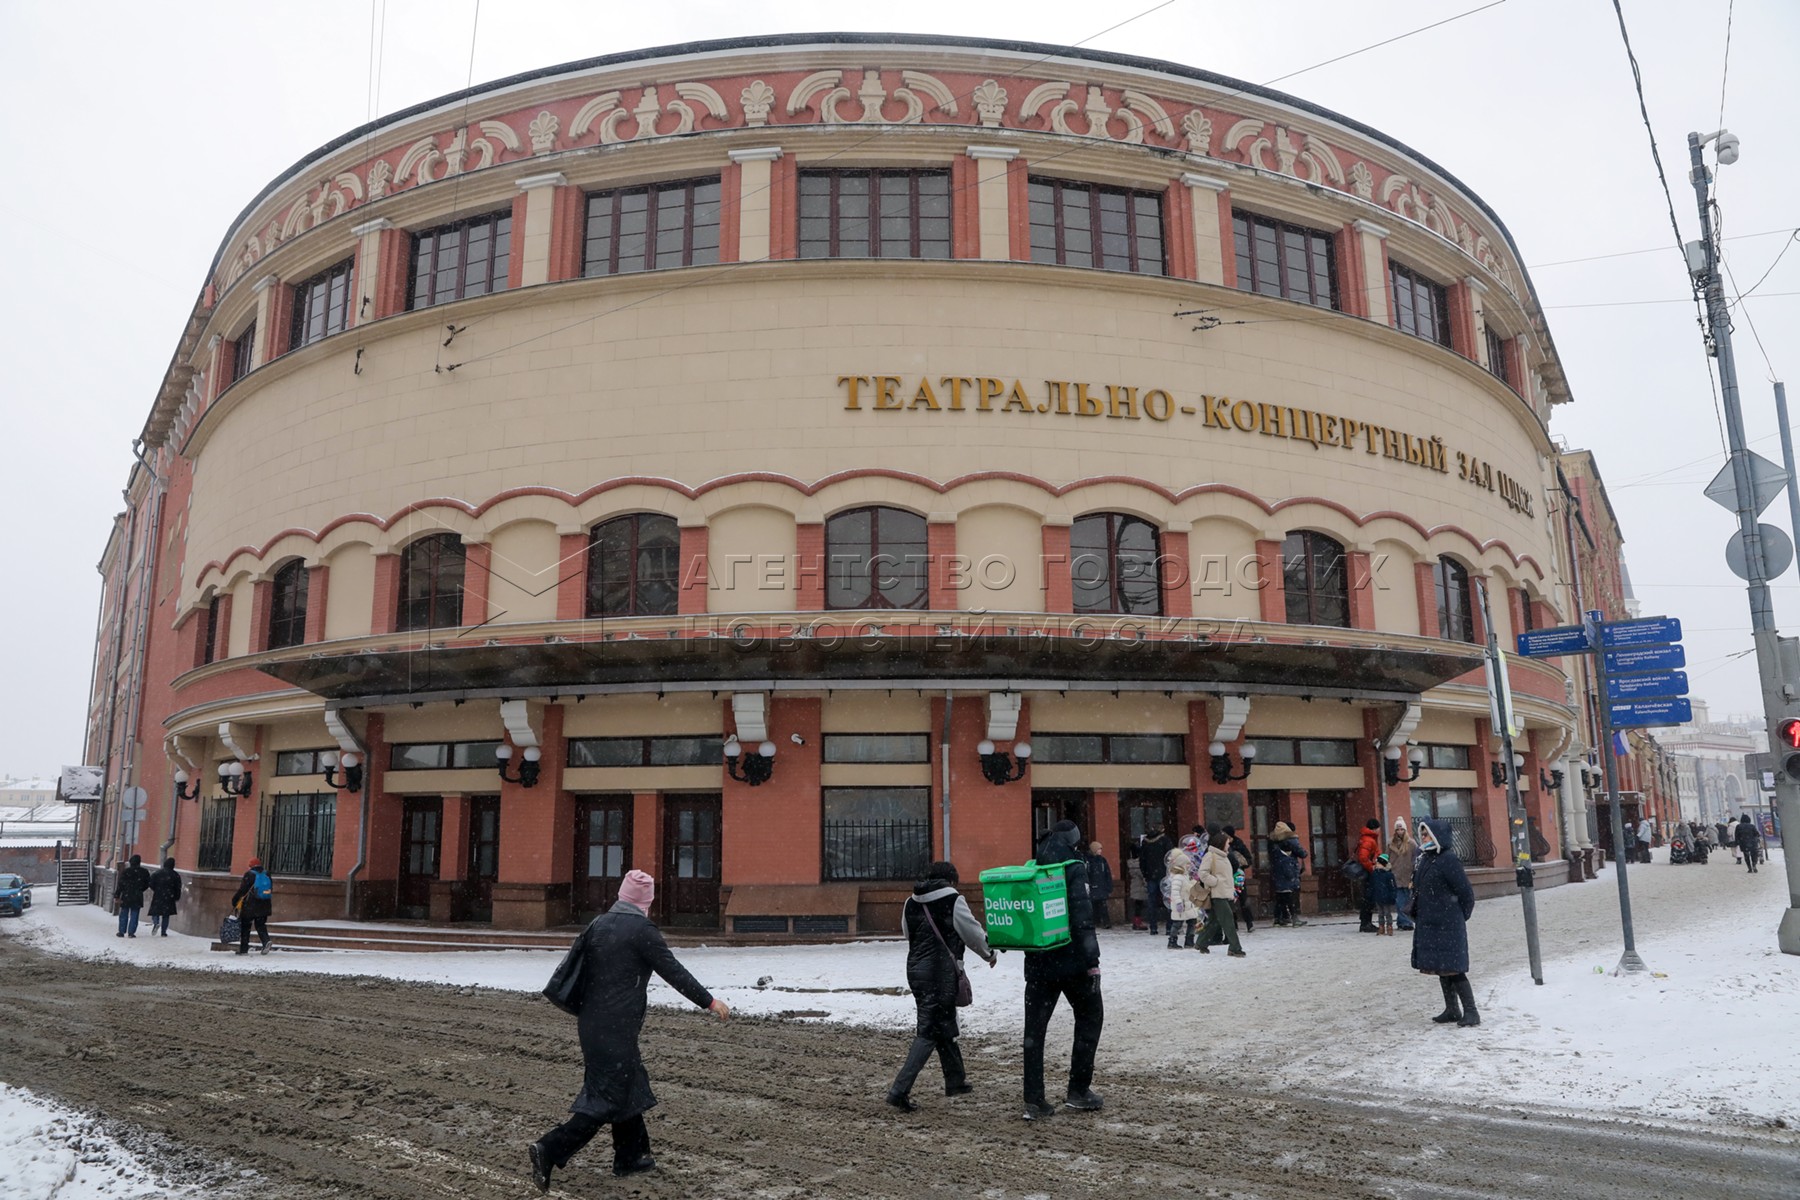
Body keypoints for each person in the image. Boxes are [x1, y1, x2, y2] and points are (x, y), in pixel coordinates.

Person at [529, 869, 729, 1191]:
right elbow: (673, 971)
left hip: (592, 1025)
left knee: (628, 1085)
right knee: (604, 1098)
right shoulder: (641, 930)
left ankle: (631, 1157)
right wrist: (709, 1001)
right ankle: (549, 1149)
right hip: (615, 1030)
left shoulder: (599, 924)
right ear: (646, 901)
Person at [888, 860, 996, 1111]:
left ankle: (955, 1081)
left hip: (916, 971)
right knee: (928, 1030)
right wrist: (989, 954)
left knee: (942, 1021)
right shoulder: (953, 900)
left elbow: (908, 933)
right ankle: (898, 1091)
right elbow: (972, 933)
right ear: (951, 880)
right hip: (941, 973)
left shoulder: (910, 901)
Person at [1020, 819, 1103, 1120]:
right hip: (1073, 963)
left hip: (1039, 961)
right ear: (1074, 840)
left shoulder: (1034, 867)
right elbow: (1082, 918)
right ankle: (1078, 1091)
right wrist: (1092, 962)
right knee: (1090, 1019)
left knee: (1034, 1032)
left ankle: (1034, 1100)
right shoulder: (1073, 866)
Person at [1411, 817, 1479, 1027]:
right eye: (1422, 834)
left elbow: (1466, 892)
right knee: (1442, 968)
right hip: (1431, 924)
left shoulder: (1448, 860)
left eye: (1426, 834)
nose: (1423, 838)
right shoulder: (1426, 858)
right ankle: (1452, 1009)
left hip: (1448, 924)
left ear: (1437, 836)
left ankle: (1471, 1011)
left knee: (1455, 969)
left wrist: (1458, 916)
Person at [1194, 823, 1246, 956]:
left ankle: (1201, 942)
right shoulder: (1210, 855)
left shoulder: (1224, 856)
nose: (1229, 845)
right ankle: (1235, 948)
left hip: (1226, 893)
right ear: (1221, 843)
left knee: (1214, 921)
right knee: (1228, 920)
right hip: (1217, 894)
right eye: (1227, 843)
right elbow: (1202, 873)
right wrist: (1215, 882)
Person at [1162, 835, 1203, 949]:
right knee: (1177, 924)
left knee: (1192, 922)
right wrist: (1179, 903)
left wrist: (1195, 881)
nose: (1189, 866)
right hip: (1181, 905)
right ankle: (1172, 941)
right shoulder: (1177, 877)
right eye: (1187, 864)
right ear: (1181, 865)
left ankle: (1189, 941)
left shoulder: (1185, 876)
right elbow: (1174, 892)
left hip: (1189, 904)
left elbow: (1189, 887)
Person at [230, 857, 274, 955]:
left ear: (250, 866)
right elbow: (270, 888)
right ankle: (266, 941)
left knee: (246, 927)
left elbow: (242, 890)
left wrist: (235, 900)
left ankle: (244, 949)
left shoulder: (249, 875)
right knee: (260, 925)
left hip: (250, 905)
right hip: (264, 904)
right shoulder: (267, 874)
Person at [1268, 821, 1308, 927]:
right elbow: (1302, 853)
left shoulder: (1272, 840)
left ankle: (1278, 918)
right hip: (1289, 868)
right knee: (1291, 895)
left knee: (1281, 895)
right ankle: (1295, 918)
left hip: (1278, 869)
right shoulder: (1291, 839)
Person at [1138, 827, 1172, 937]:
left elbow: (1142, 860)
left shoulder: (1145, 842)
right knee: (1167, 900)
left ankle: (1153, 927)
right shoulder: (1165, 840)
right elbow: (1170, 857)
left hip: (1150, 875)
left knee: (1151, 902)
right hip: (1163, 875)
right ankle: (1169, 927)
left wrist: (1145, 874)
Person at [1222, 824, 1256, 933]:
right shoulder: (1221, 844)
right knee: (1230, 900)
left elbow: (1248, 859)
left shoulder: (1238, 843)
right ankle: (1233, 924)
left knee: (1243, 899)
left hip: (1238, 876)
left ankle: (1249, 923)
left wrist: (1240, 863)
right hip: (1226, 876)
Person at [1387, 819, 1417, 932]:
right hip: (1395, 875)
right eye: (1398, 829)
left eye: (1402, 829)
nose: (1400, 831)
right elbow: (1386, 857)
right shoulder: (1390, 843)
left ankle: (1404, 921)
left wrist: (1415, 873)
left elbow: (1416, 858)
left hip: (1408, 875)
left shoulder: (1412, 844)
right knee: (1400, 900)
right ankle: (1405, 922)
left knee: (1407, 900)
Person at [113, 854, 151, 938]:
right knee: (135, 914)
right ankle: (131, 932)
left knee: (124, 913)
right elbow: (147, 883)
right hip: (137, 895)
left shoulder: (126, 872)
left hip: (126, 895)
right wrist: (140, 889)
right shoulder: (144, 872)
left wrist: (117, 895)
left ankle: (121, 931)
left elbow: (120, 884)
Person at [1355, 818, 1383, 932]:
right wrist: (1371, 867)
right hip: (1368, 873)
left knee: (1366, 897)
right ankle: (1366, 923)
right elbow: (1363, 857)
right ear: (1375, 828)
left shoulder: (1366, 838)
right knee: (1368, 898)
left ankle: (1365, 922)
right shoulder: (1369, 840)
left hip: (1366, 872)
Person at [147, 857, 182, 937]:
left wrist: (156, 889)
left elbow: (151, 883)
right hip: (170, 897)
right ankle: (163, 931)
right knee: (166, 915)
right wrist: (176, 896)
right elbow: (178, 887)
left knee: (155, 912)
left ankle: (156, 923)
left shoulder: (157, 873)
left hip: (158, 895)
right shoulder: (175, 875)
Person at [1084, 841, 1115, 929]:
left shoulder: (1102, 860)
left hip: (1100, 886)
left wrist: (1109, 886)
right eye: (1099, 849)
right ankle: (1097, 922)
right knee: (1095, 906)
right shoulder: (1088, 861)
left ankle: (1104, 922)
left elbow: (1107, 874)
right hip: (1094, 886)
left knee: (1102, 906)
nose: (1100, 851)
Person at [1369, 854, 1398, 935]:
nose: (1377, 865)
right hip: (1378, 897)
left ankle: (1389, 926)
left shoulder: (1388, 875)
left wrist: (1392, 896)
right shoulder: (1375, 874)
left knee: (1387, 913)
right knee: (1380, 913)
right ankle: (1381, 927)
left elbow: (1392, 887)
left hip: (1386, 897)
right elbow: (1372, 886)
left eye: (1378, 864)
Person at [1125, 838, 1147, 931]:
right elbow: (1143, 876)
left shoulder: (1130, 863)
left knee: (1137, 905)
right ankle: (1138, 923)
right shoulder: (1139, 864)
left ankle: (1136, 922)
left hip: (1134, 886)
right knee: (1139, 906)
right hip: (1140, 887)